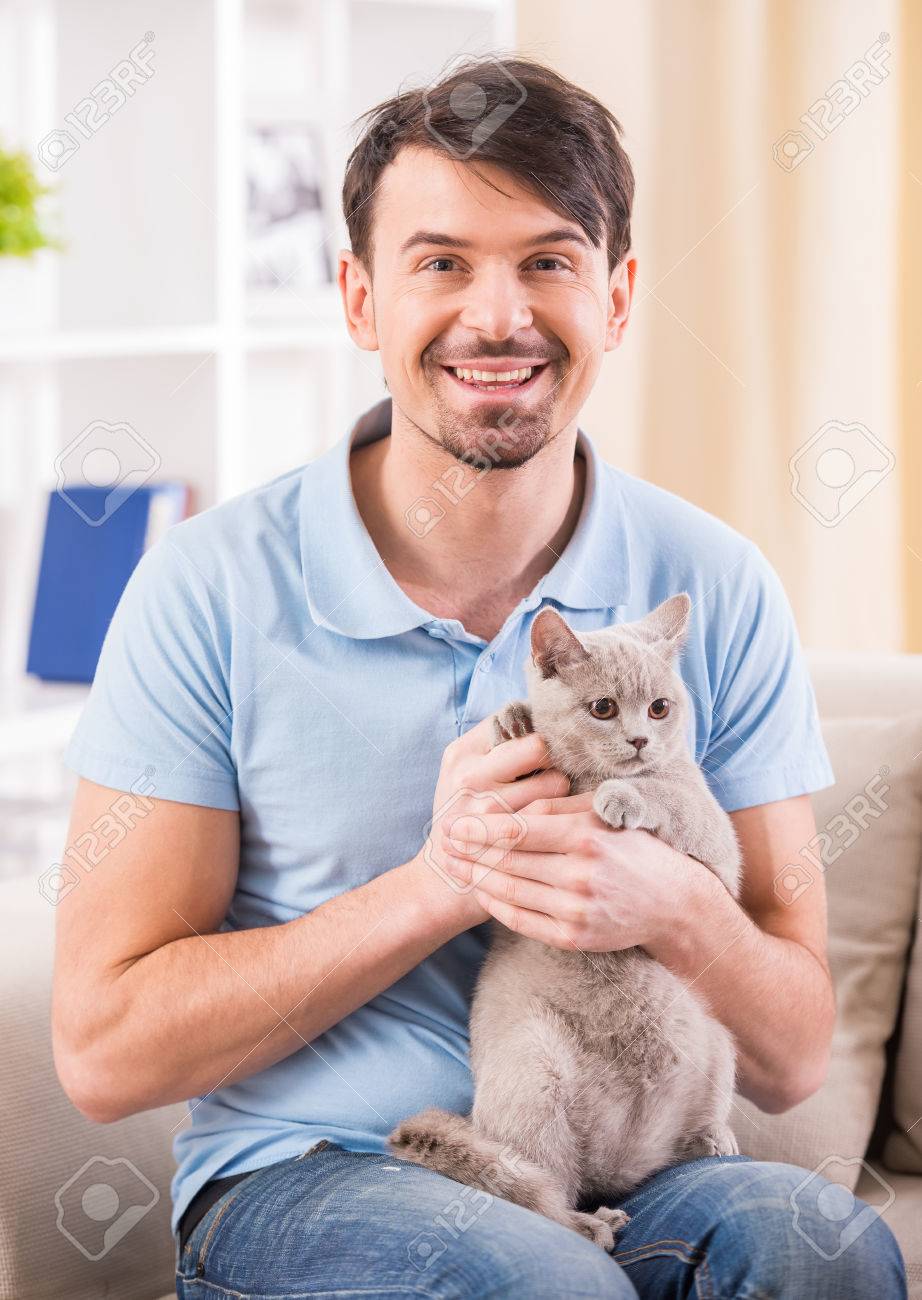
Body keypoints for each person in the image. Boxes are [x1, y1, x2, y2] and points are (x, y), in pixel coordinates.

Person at [51, 55, 906, 1298]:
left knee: (818, 1246)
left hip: (637, 1154)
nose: (496, 316)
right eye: (440, 262)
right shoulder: (209, 589)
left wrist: (668, 903)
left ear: (615, 298)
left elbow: (787, 1055)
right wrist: (440, 881)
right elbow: (105, 1051)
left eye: (548, 261)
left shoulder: (709, 585)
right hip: (316, 1171)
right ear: (358, 298)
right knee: (540, 1282)